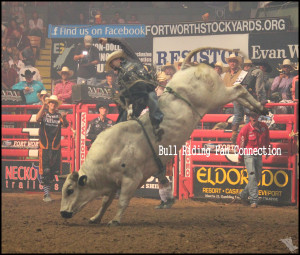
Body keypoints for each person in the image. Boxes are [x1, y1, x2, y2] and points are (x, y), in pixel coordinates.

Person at [98, 37, 164, 140]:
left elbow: (122, 43)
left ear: (118, 59)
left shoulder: (132, 59)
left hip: (146, 90)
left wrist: (108, 40)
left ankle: (157, 128)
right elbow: (122, 95)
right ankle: (118, 135)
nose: (112, 66)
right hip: (136, 99)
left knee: (152, 99)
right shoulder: (119, 78)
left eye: (112, 63)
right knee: (123, 119)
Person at [36, 95, 69, 202]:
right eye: (51, 103)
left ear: (56, 105)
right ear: (48, 104)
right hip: (44, 146)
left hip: (55, 147)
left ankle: (49, 193)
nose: (53, 105)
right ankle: (46, 194)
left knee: (54, 171)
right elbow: (37, 118)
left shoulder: (59, 115)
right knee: (46, 170)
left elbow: (66, 125)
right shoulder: (44, 114)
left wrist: (64, 117)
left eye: (54, 103)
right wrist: (43, 106)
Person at [236, 111, 270, 208]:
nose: (254, 118)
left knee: (257, 177)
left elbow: (267, 139)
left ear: (258, 116)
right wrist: (240, 157)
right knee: (252, 176)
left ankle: (243, 194)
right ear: (250, 118)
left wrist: (267, 151)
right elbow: (241, 144)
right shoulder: (246, 129)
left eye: (255, 116)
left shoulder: (263, 127)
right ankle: (254, 200)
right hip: (249, 154)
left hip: (258, 154)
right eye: (252, 116)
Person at [222, 53, 244, 143]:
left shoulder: (241, 73)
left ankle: (233, 134)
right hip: (228, 100)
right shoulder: (226, 74)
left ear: (237, 63)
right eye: (231, 61)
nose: (232, 63)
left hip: (236, 99)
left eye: (234, 61)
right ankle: (230, 134)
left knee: (235, 114)